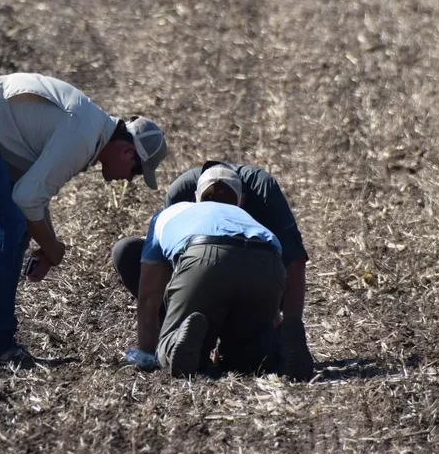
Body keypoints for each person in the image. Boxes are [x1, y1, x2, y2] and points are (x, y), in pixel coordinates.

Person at [0, 73, 167, 364]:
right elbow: (27, 199)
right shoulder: (83, 136)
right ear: (127, 150)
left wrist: (50, 245)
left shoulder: (89, 128)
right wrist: (52, 249)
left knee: (15, 227)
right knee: (4, 230)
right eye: (135, 172)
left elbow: (31, 192)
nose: (128, 180)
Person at [116, 161, 314, 379]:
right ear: (242, 200)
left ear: (195, 196)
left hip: (204, 254)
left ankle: (177, 342)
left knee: (172, 342)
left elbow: (149, 296)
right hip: (266, 258)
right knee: (248, 358)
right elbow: (290, 268)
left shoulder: (171, 213)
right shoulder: (252, 219)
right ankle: (277, 351)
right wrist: (282, 322)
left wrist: (146, 354)